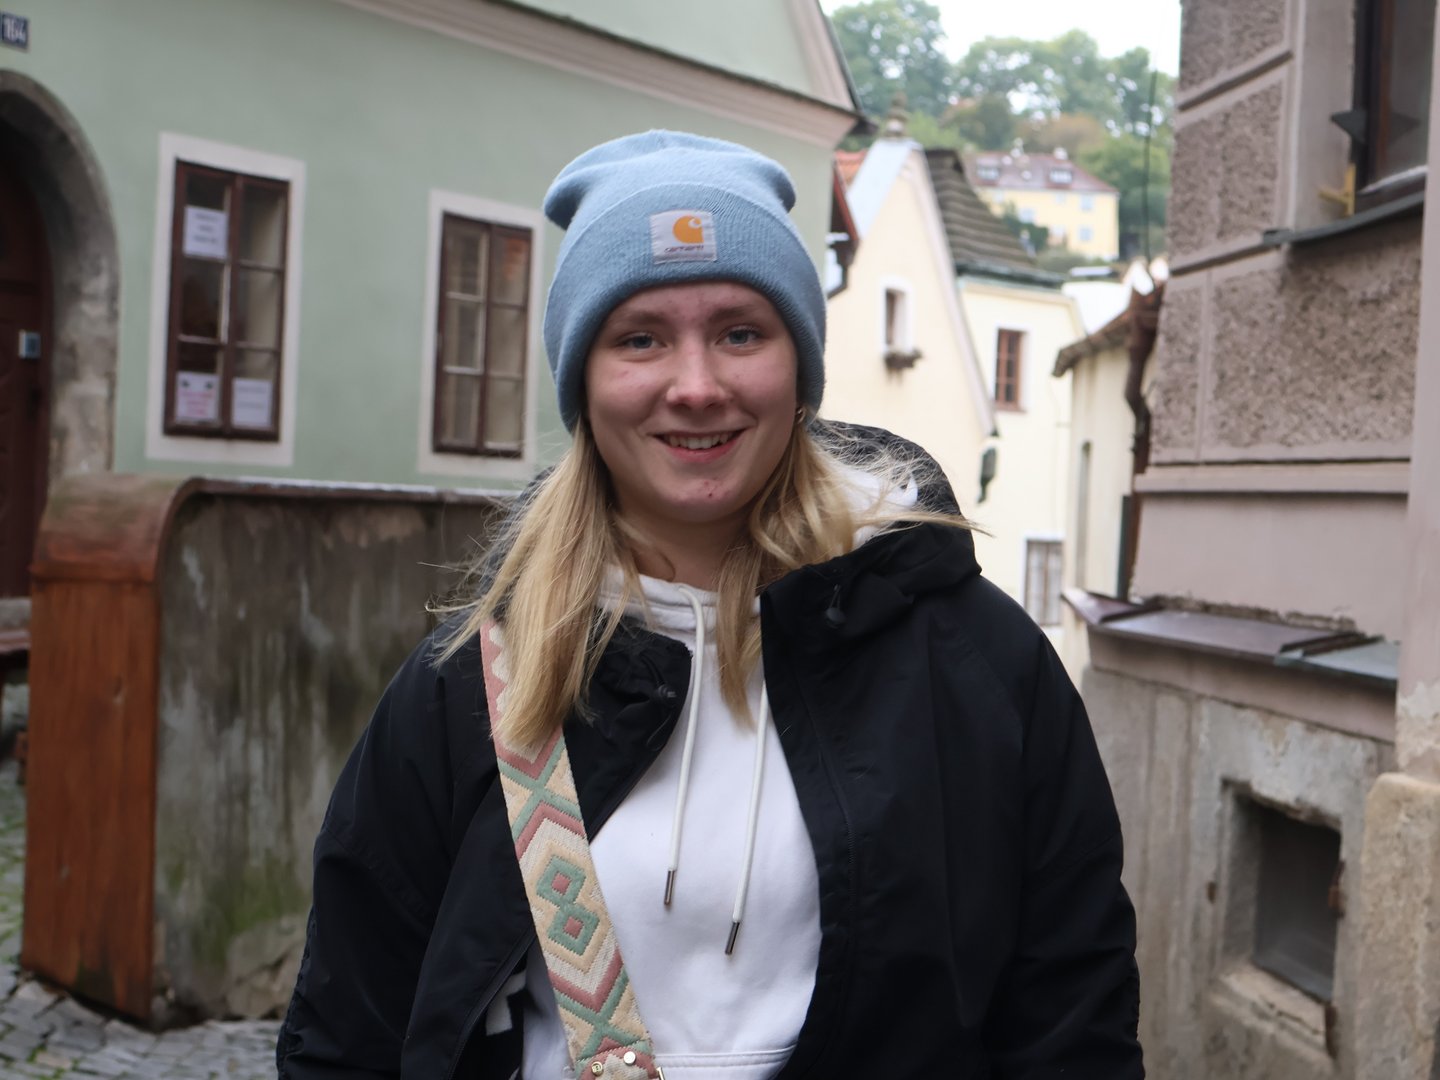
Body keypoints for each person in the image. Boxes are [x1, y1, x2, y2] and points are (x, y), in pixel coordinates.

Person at [276, 130, 1142, 1080]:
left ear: (798, 363)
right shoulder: (476, 683)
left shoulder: (973, 662)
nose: (696, 387)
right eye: (640, 338)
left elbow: (1071, 1017)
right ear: (582, 378)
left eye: (740, 332)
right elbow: (351, 1028)